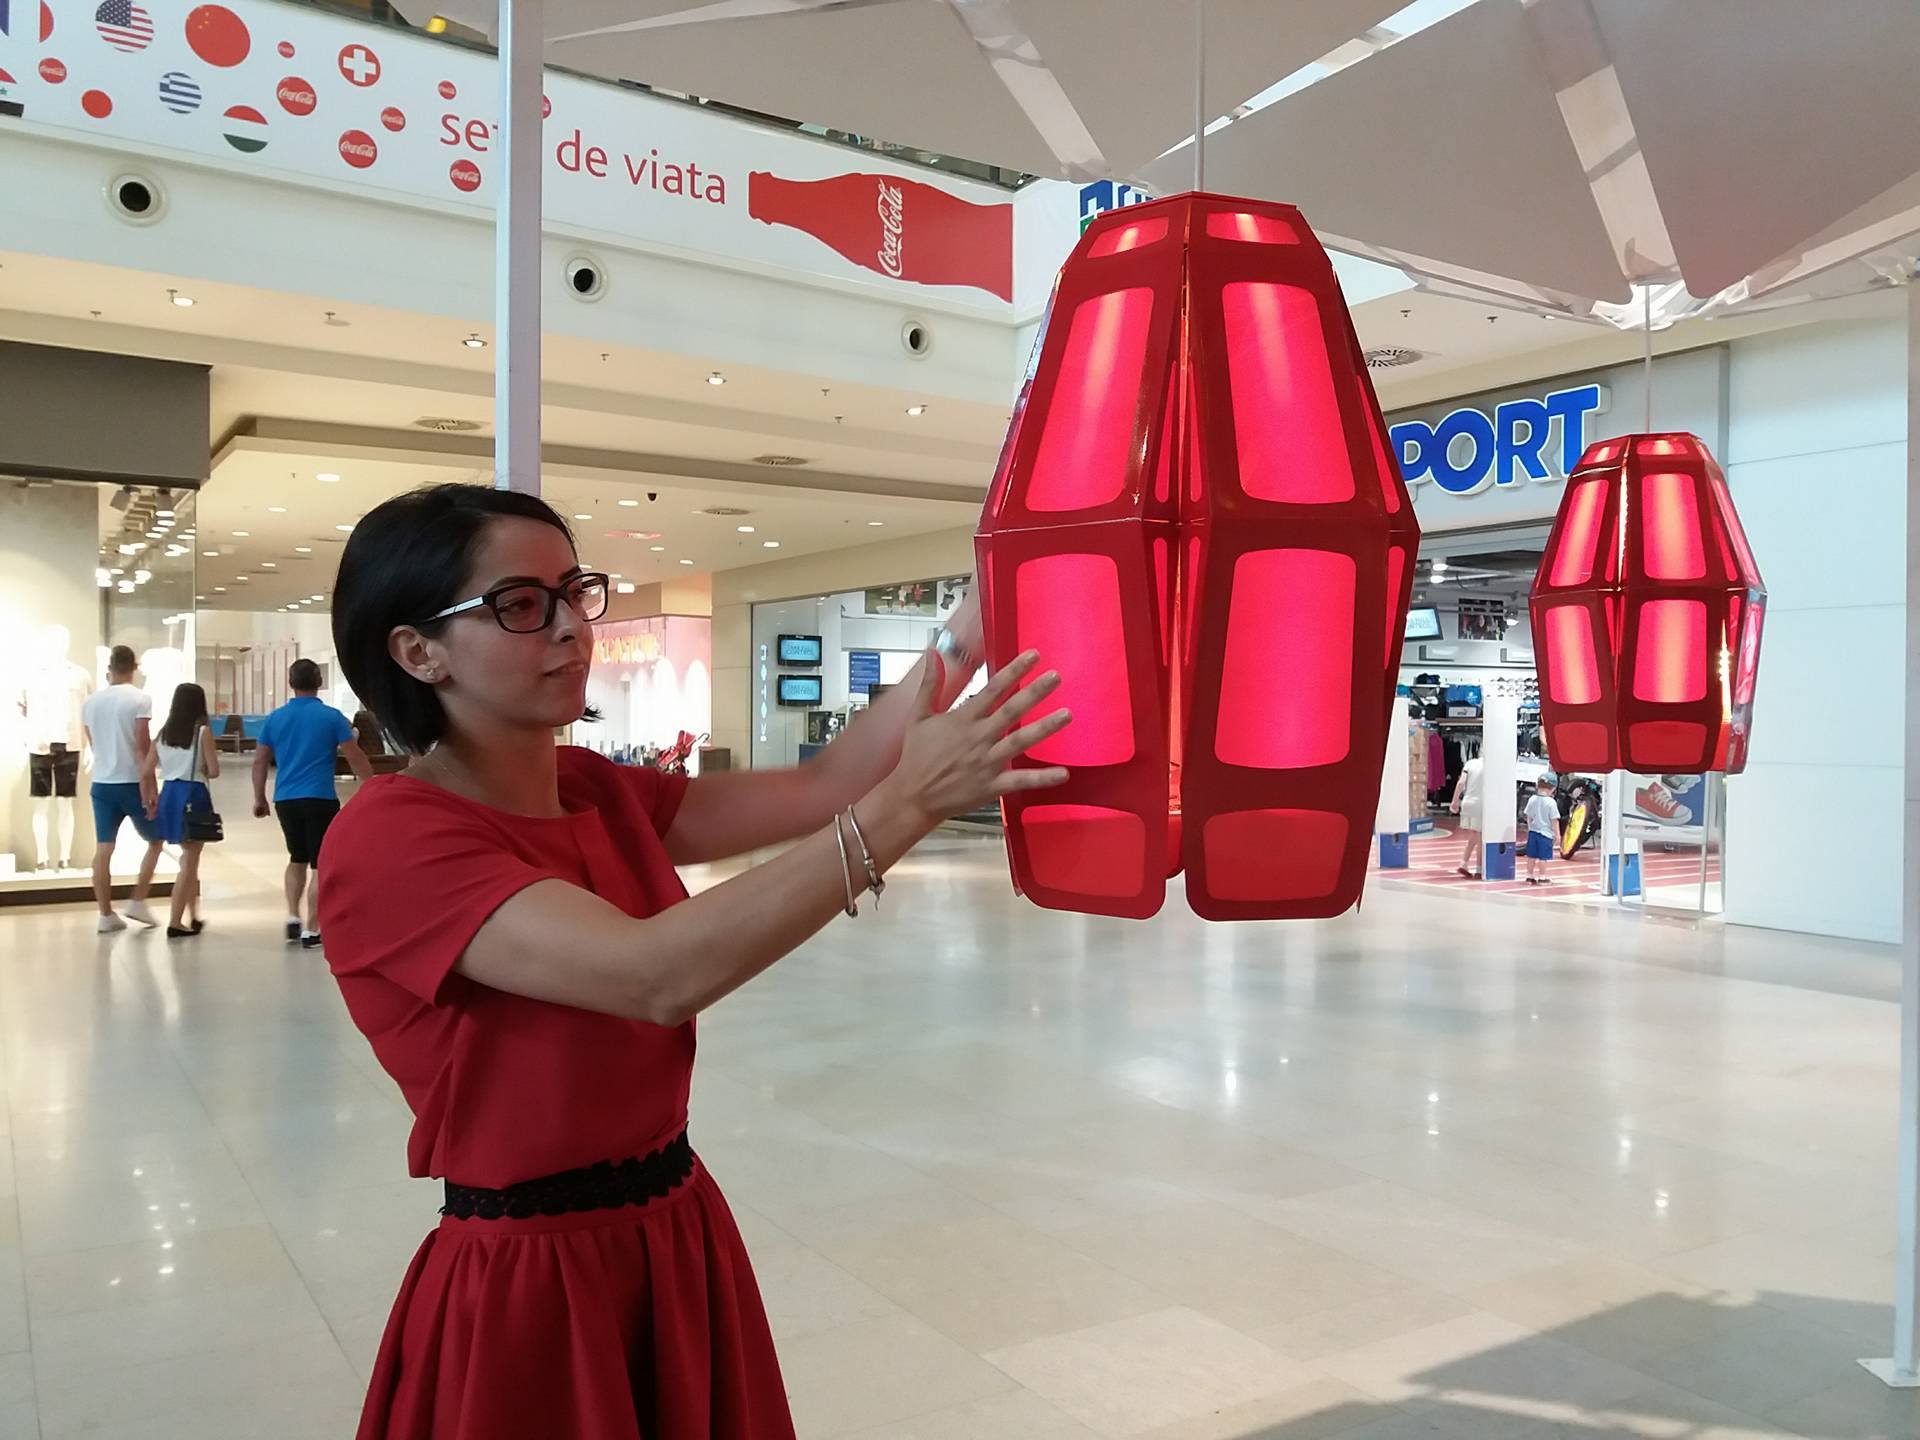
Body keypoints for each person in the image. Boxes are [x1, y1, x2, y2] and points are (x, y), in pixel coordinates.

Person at [320, 484, 1069, 1440]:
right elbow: (651, 975)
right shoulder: (392, 837)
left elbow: (829, 782)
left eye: (574, 591)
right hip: (533, 1277)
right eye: (520, 604)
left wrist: (979, 613)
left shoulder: (591, 787)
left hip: (672, 1222)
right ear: (417, 651)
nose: (570, 626)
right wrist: (907, 808)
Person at [253, 658, 373, 949]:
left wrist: (259, 797)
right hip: (319, 797)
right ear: (319, 682)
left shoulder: (275, 718)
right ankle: (311, 929)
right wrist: (371, 784)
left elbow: (259, 760)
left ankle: (293, 916)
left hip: (285, 798)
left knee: (296, 857)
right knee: (320, 863)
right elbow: (354, 754)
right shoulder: (331, 717)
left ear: (291, 683)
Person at [81, 644, 164, 933]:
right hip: (131, 781)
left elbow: (93, 742)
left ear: (110, 668)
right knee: (156, 841)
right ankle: (138, 899)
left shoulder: (90, 703)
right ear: (134, 667)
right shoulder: (140, 699)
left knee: (104, 849)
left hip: (102, 782)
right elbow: (142, 745)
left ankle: (105, 914)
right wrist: (150, 786)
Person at [144, 681, 220, 936]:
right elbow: (214, 770)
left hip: (169, 794)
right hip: (193, 793)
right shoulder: (202, 732)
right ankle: (175, 921)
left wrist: (150, 798)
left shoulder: (163, 735)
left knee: (189, 858)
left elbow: (146, 770)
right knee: (189, 861)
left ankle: (193, 915)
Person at [1449, 753, 1484, 879]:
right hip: (1481, 804)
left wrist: (1454, 801)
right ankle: (1479, 869)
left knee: (1474, 835)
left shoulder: (1470, 763)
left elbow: (1461, 783)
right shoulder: (1491, 767)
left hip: (1467, 803)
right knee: (1481, 838)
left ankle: (1464, 863)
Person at [1524, 776, 1561, 885]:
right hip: (1545, 834)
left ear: (1537, 786)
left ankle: (1529, 876)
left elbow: (1528, 817)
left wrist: (1530, 828)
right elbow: (1554, 820)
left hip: (1533, 832)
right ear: (1553, 788)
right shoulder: (1551, 802)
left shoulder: (1532, 799)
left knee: (1531, 856)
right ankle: (1542, 877)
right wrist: (1557, 835)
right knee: (1543, 857)